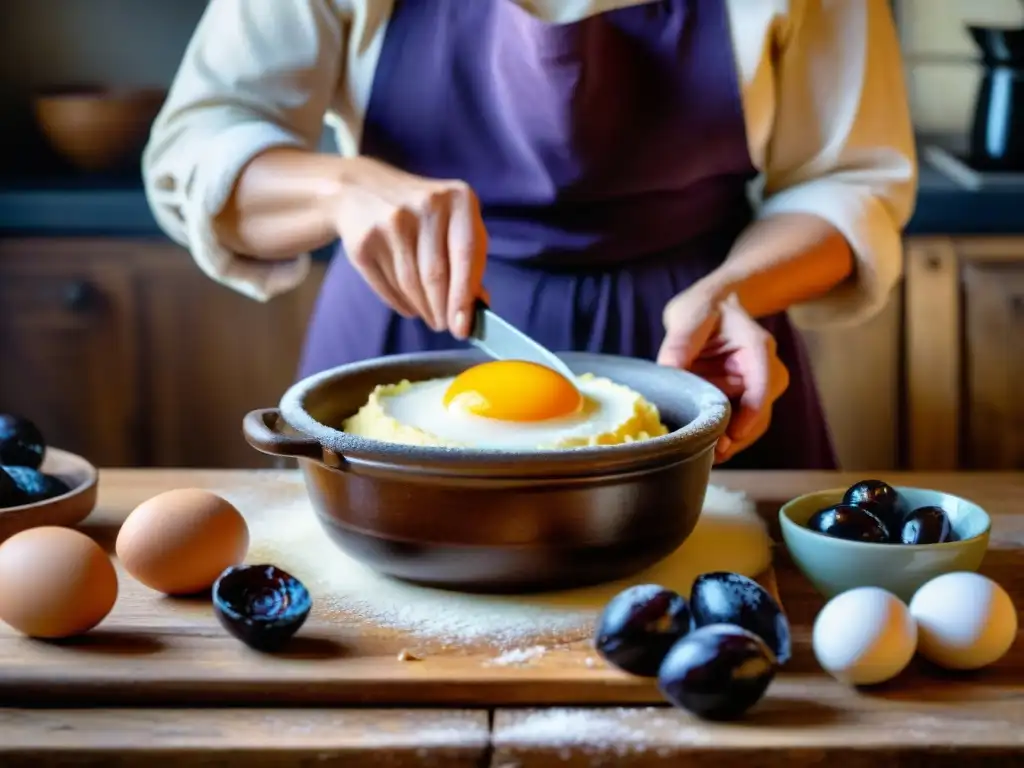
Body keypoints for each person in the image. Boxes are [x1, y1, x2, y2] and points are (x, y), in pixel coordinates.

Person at [142, 0, 917, 468]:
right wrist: (342, 186)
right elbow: (194, 154)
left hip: (694, 356)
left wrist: (735, 292)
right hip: (402, 330)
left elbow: (847, 181)